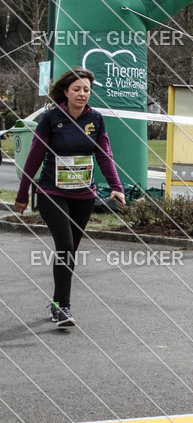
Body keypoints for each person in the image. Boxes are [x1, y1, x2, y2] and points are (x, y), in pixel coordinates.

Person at [14, 67, 125, 329]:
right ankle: (63, 308)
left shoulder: (96, 120)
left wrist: (116, 186)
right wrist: (22, 194)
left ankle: (56, 301)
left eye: (86, 89)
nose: (82, 94)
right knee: (64, 245)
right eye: (77, 89)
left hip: (83, 196)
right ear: (66, 92)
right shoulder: (51, 119)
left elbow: (104, 155)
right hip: (52, 193)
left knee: (69, 251)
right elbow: (34, 157)